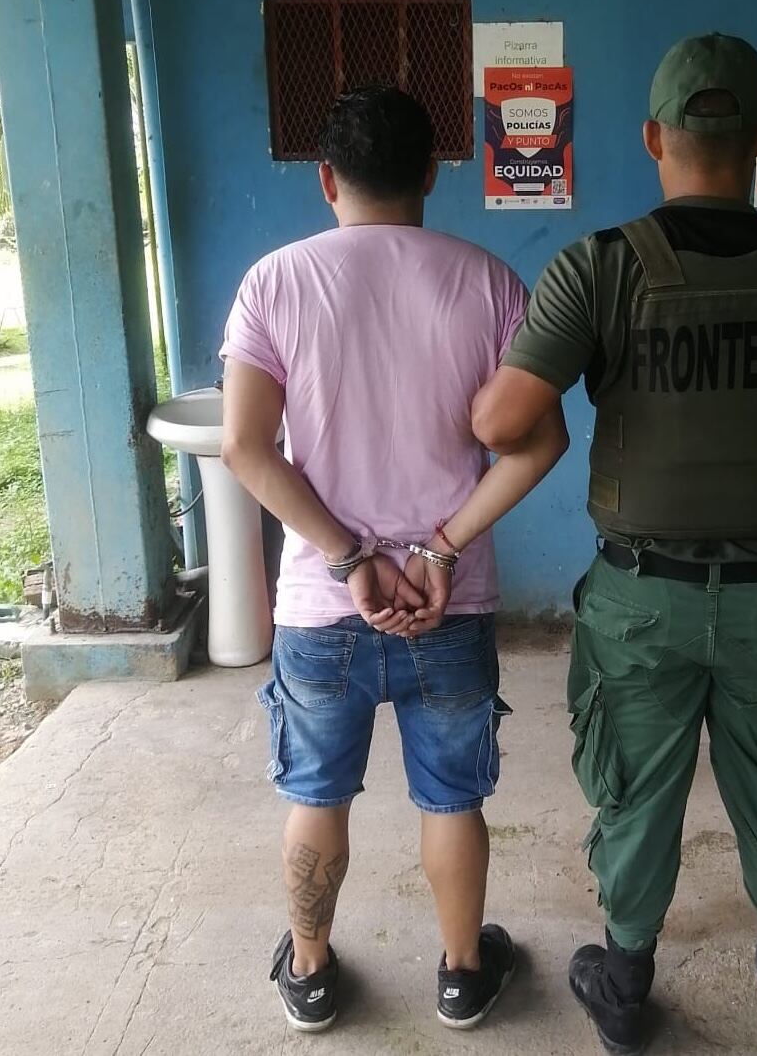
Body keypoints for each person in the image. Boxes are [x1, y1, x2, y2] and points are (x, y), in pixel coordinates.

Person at [471, 33, 757, 1053]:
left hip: (641, 598)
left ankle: (625, 986)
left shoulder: (597, 267)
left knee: (633, 792)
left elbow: (501, 421)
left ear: (650, 137)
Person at [220, 85, 568, 1035]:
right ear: (431, 173)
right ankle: (462, 974)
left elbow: (246, 446)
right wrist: (441, 546)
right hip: (449, 603)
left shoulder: (273, 282)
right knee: (451, 799)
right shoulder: (491, 283)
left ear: (326, 179)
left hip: (322, 609)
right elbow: (540, 442)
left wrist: (348, 557)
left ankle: (310, 972)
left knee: (315, 795)